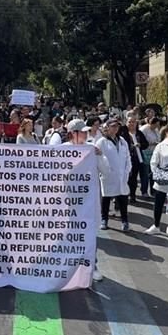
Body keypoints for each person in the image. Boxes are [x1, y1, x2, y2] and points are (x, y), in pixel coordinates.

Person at [65, 119, 106, 282]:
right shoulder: (61, 150)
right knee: (69, 232)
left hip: (88, 199)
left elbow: (106, 171)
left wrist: (101, 155)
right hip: (68, 201)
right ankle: (69, 265)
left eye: (85, 131)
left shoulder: (91, 149)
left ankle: (91, 265)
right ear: (72, 134)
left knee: (89, 231)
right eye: (82, 131)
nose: (85, 134)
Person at [95, 117, 131, 231]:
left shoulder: (122, 141)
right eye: (113, 126)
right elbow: (98, 157)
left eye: (117, 126)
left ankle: (125, 221)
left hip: (121, 175)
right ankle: (104, 219)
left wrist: (127, 170)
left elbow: (127, 157)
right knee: (106, 198)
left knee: (123, 199)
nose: (116, 128)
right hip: (108, 175)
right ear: (107, 127)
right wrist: (105, 171)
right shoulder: (102, 142)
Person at [125, 113, 148, 202]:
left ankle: (133, 195)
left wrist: (140, 145)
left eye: (133, 122)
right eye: (130, 122)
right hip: (127, 159)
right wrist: (130, 146)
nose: (131, 124)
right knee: (128, 178)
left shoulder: (139, 133)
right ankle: (126, 194)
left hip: (138, 159)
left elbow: (146, 144)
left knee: (135, 178)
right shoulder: (124, 133)